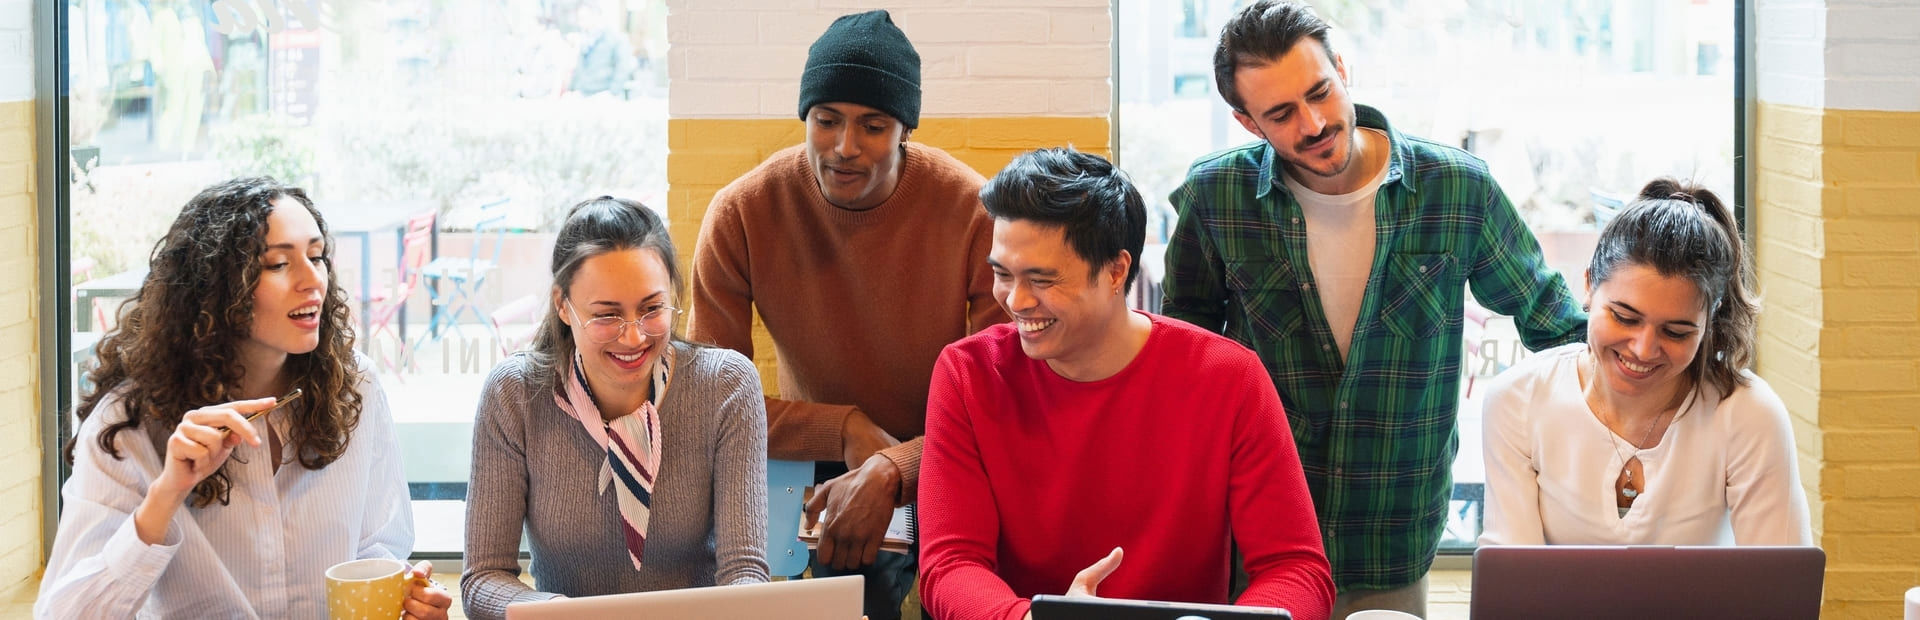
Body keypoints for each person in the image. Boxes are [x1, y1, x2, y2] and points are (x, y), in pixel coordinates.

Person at [1160, 2, 1588, 615]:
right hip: (1262, 531)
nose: (1313, 123)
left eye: (1320, 92)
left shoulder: (1456, 189)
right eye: (1281, 114)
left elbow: (1554, 323)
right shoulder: (1215, 195)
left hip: (1394, 526)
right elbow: (1186, 351)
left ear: (1342, 67)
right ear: (1247, 122)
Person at [920, 148, 1336, 620]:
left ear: (1116, 271)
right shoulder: (968, 374)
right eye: (1001, 273)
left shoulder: (1229, 378)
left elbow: (1296, 568)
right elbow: (950, 565)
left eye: (1042, 279)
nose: (1015, 300)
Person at [689, 9, 1003, 619]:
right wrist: (845, 429)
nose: (845, 147)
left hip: (949, 448)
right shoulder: (742, 213)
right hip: (817, 453)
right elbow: (713, 403)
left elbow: (1002, 395)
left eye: (874, 126)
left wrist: (894, 464)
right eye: (826, 120)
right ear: (804, 118)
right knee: (853, 581)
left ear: (905, 130)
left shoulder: (973, 211)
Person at [38, 177, 450, 619]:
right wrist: (166, 494)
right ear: (214, 291)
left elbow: (378, 548)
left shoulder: (355, 386)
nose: (313, 280)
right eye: (277, 264)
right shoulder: (129, 422)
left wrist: (407, 597)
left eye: (316, 257)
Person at [462, 197, 769, 620]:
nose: (633, 338)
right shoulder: (514, 395)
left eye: (652, 309)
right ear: (562, 306)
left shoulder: (725, 386)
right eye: (606, 315)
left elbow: (745, 573)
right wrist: (563, 616)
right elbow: (483, 578)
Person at [1478, 179, 1811, 546]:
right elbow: (1514, 578)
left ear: (1708, 323)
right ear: (1589, 285)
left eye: (1677, 332)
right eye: (1624, 317)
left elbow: (1775, 589)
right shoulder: (1518, 400)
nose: (1643, 349)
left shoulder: (1748, 414)